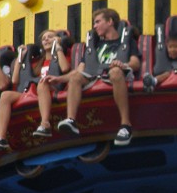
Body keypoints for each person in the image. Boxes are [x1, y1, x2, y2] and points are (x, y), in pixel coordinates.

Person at [52, 8, 141, 146]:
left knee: (115, 72)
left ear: (110, 21)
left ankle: (125, 125)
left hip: (117, 75)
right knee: (75, 78)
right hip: (94, 76)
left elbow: (135, 63)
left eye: (98, 22)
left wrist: (123, 64)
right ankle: (71, 120)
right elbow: (79, 71)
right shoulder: (95, 45)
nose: (94, 26)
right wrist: (59, 79)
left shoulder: (126, 41)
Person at [0, 30, 71, 150]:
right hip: (33, 91)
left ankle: (45, 123)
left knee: (42, 84)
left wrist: (58, 48)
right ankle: (1, 138)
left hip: (52, 87)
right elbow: (15, 80)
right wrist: (20, 57)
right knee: (5, 95)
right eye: (44, 38)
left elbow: (65, 69)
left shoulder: (62, 55)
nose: (46, 39)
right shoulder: (37, 62)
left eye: (50, 37)